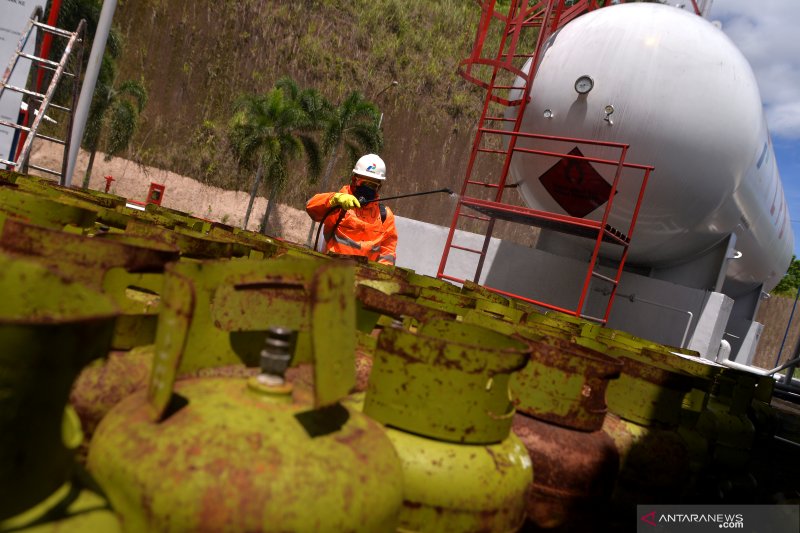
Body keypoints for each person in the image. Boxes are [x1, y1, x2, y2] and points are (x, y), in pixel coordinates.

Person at [306, 154, 397, 265]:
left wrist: (378, 278)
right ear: (354, 180)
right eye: (363, 183)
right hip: (332, 271)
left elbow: (388, 254)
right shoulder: (339, 204)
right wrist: (334, 199)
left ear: (379, 187)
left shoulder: (385, 216)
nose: (367, 188)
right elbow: (311, 208)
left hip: (366, 277)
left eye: (372, 185)